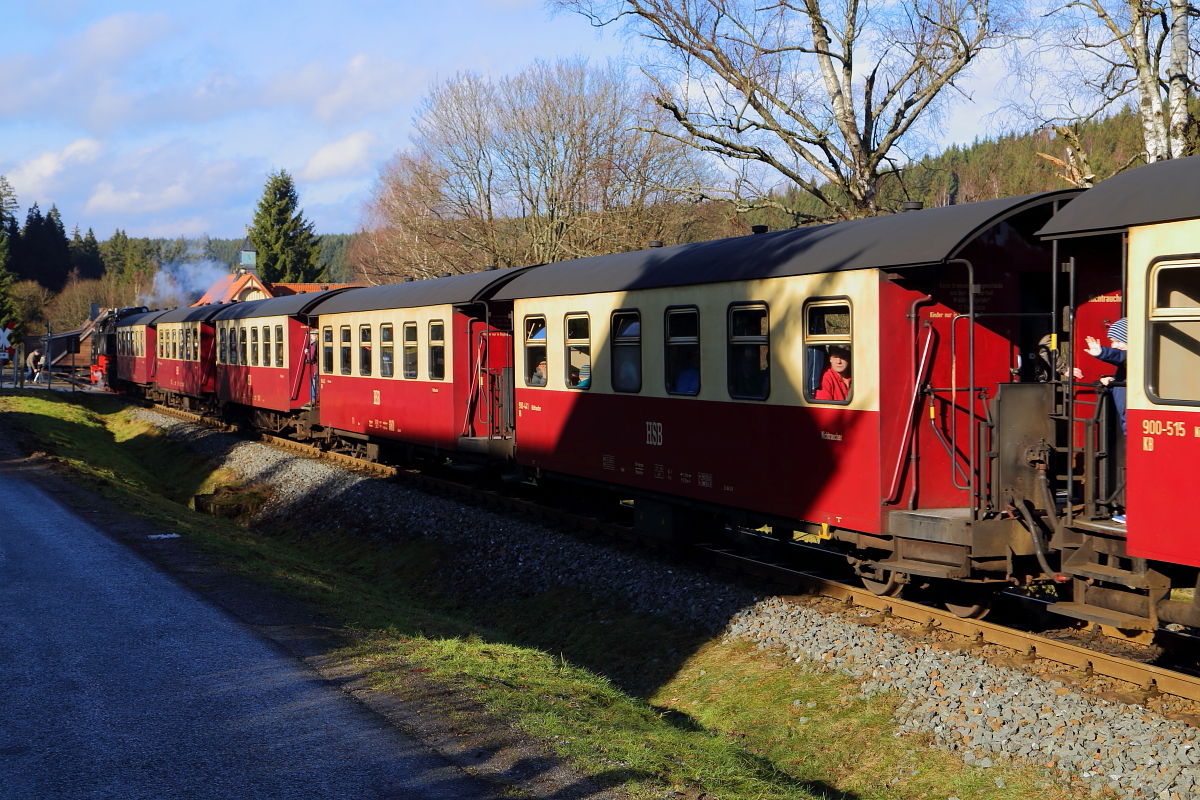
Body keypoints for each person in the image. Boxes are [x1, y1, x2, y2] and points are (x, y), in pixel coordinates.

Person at [1074, 317, 1127, 522]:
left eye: (1116, 341)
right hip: (1129, 422)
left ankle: (1137, 513)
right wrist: (1114, 382)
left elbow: (1123, 357)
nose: (1112, 345)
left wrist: (1102, 352)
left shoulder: (1134, 355)